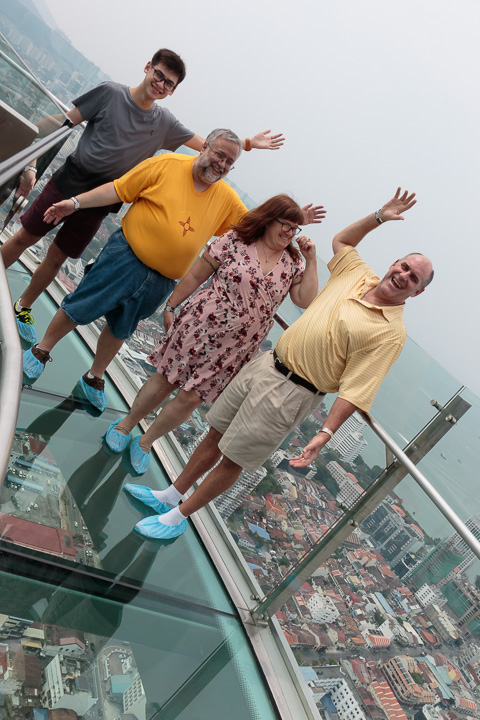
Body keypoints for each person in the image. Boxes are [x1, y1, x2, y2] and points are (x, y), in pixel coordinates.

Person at [125, 188, 435, 540]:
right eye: (404, 266)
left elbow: (357, 389)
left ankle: (177, 517)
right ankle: (171, 494)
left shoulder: (391, 332)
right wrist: (378, 216)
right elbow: (343, 240)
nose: (404, 276)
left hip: (294, 391)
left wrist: (325, 433)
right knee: (215, 434)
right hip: (266, 364)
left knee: (234, 458)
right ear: (394, 263)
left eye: (414, 278)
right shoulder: (358, 275)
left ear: (417, 292)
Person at [22, 130, 324, 411]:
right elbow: (118, 189)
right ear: (204, 147)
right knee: (82, 304)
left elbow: (260, 226)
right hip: (126, 256)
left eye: (229, 162)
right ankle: (42, 350)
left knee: (122, 327)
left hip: (163, 279)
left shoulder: (227, 198)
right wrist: (75, 203)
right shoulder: (167, 164)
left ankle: (94, 376)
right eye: (219, 155)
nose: (222, 164)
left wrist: (292, 220)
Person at [1, 48, 284, 343]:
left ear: (173, 91)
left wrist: (247, 143)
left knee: (58, 257)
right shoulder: (110, 93)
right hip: (70, 180)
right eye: (158, 75)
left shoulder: (165, 123)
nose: (160, 84)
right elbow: (61, 123)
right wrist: (30, 162)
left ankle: (24, 306)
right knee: (25, 237)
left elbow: (209, 147)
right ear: (148, 67)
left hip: (103, 200)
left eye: (168, 83)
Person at [103, 194, 325, 473]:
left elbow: (305, 299)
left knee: (192, 397)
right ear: (269, 219)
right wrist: (171, 305)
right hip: (201, 323)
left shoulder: (293, 262)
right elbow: (197, 274)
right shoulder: (236, 240)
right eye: (286, 225)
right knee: (166, 379)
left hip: (237, 346)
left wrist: (311, 259)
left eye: (295, 228)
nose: (290, 233)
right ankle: (125, 425)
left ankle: (146, 442)